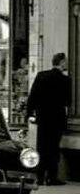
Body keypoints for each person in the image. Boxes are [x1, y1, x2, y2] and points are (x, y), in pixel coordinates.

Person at [27, 52, 71, 185]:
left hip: (43, 118)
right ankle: (52, 177)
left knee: (42, 146)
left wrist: (29, 114)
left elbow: (32, 96)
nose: (67, 63)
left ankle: (40, 177)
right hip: (57, 119)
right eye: (66, 61)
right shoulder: (65, 80)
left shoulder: (41, 76)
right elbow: (68, 101)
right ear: (61, 62)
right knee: (53, 148)